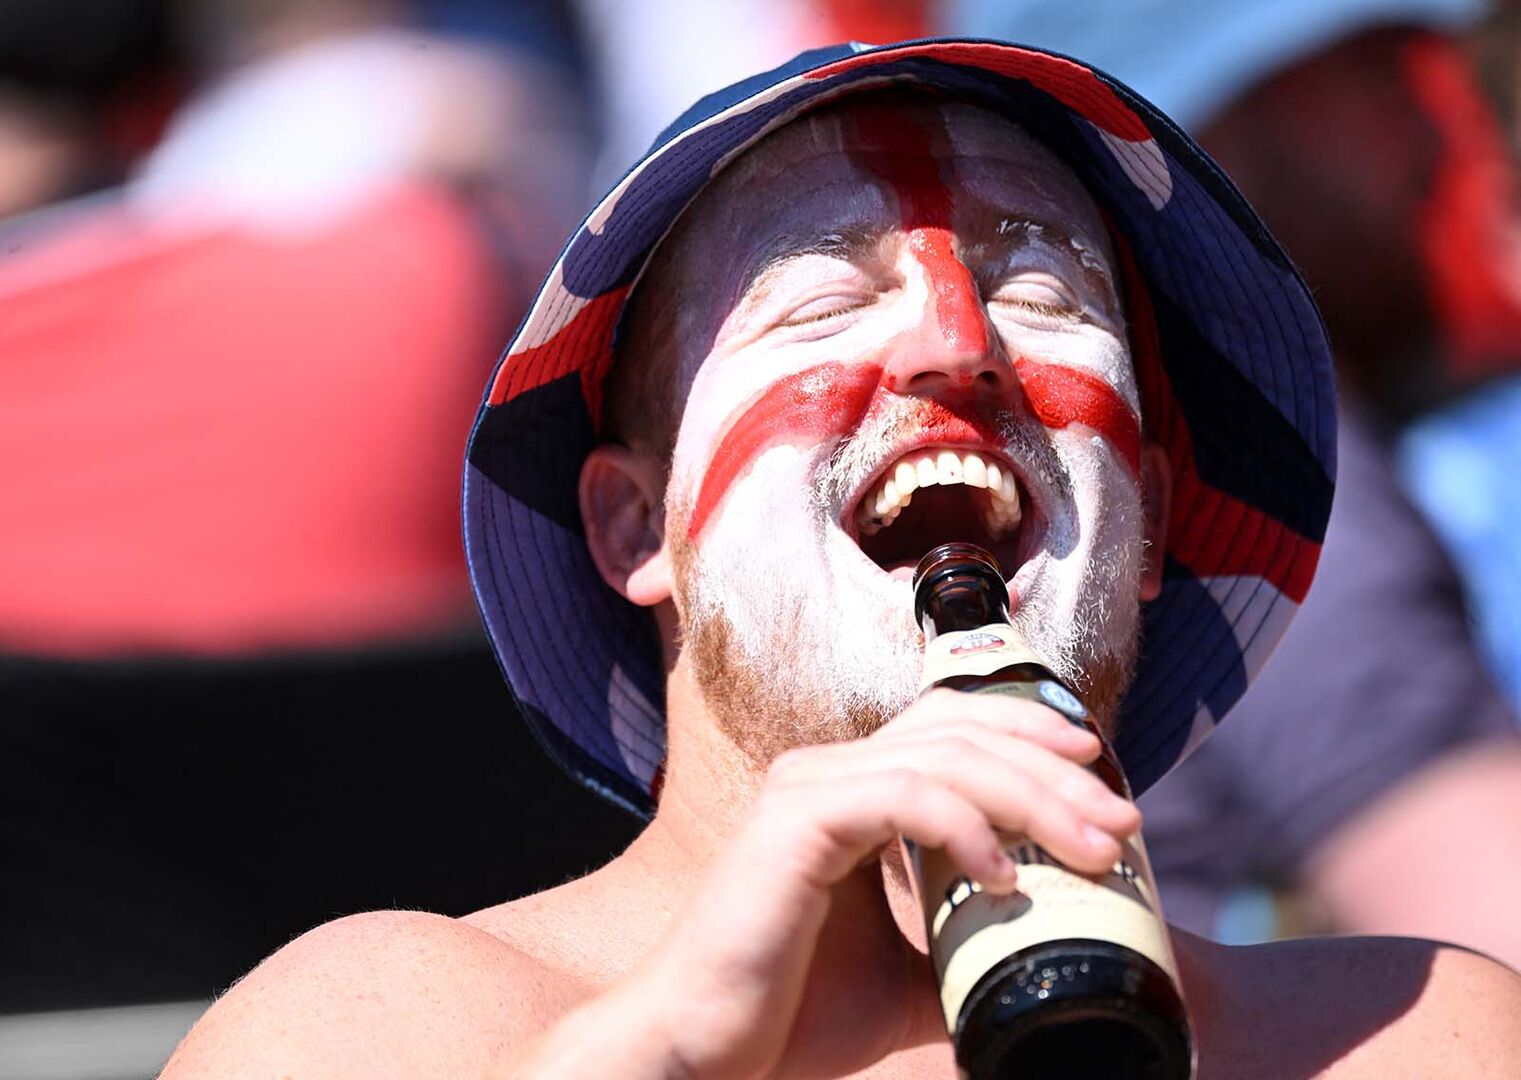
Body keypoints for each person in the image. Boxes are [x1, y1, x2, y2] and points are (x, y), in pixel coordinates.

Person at [161, 40, 1521, 1077]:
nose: (956, 346)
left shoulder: (1412, 1039)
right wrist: (665, 1051)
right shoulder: (386, 1029)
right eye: (818, 298)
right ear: (635, 528)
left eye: (1040, 289)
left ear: (1153, 525)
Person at [948, 0, 1521, 965]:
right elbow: (1489, 921)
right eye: (1378, 75)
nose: (1439, 129)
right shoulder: (1249, 471)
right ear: (1223, 134)